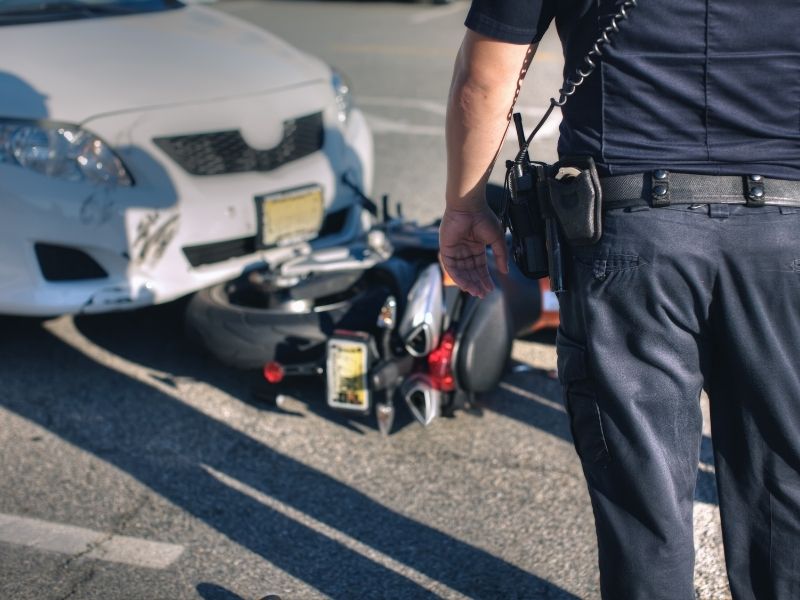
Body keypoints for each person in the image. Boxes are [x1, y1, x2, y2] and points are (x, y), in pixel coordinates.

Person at [439, 1, 800, 598]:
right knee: (784, 490)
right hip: (785, 233)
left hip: (630, 237)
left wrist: (464, 208)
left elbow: (487, 75)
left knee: (642, 498)